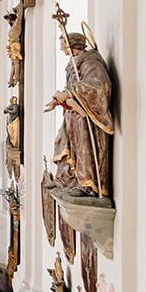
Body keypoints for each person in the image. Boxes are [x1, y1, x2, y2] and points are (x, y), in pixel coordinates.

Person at [44, 31, 114, 197]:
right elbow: (71, 86)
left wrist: (68, 95)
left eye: (63, 45)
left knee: (83, 148)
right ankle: (66, 179)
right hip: (73, 113)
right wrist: (57, 99)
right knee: (63, 143)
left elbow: (99, 86)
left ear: (72, 45)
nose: (61, 49)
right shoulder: (76, 64)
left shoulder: (91, 63)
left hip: (85, 117)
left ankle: (88, 185)